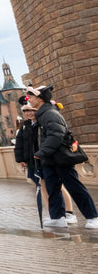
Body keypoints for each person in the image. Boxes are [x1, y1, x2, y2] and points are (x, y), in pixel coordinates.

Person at [28, 85, 98, 229]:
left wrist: (41, 153)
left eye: (32, 96)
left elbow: (56, 136)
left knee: (74, 187)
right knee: (52, 188)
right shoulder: (42, 114)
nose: (29, 99)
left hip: (61, 158)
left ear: (40, 99)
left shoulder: (50, 114)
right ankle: (58, 217)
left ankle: (93, 217)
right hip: (51, 159)